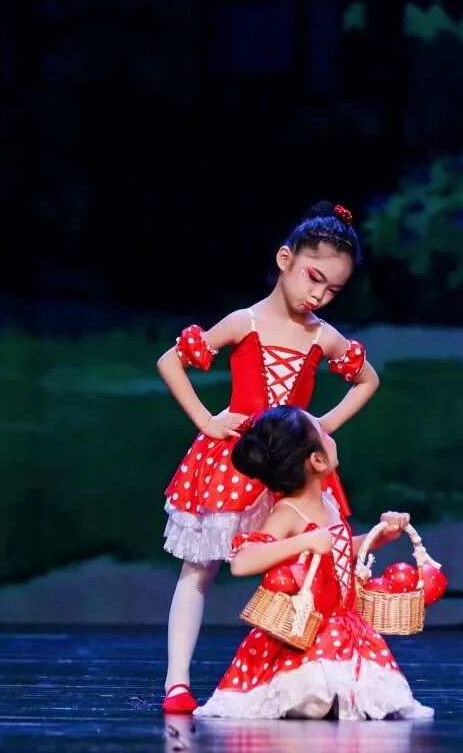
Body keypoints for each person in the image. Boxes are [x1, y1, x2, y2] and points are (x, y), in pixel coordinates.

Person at [158, 201, 379, 713]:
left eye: (332, 290)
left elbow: (368, 380)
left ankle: (305, 682)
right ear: (285, 260)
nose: (319, 295)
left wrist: (321, 426)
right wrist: (207, 421)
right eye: (313, 278)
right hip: (235, 461)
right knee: (199, 570)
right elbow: (172, 360)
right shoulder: (246, 322)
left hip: (293, 469)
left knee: (311, 572)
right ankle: (177, 683)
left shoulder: (322, 336)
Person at [194, 406, 434, 721]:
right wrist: (304, 541)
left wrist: (381, 536)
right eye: (322, 432)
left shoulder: (328, 502)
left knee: (381, 697)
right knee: (312, 701)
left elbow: (337, 549)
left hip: (343, 627)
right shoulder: (287, 512)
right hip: (303, 631)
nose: (329, 435)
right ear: (317, 460)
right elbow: (242, 562)